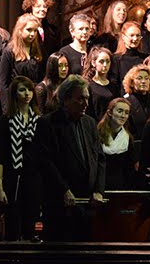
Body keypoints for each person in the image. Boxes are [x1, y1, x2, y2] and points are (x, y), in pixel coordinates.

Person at [33, 75, 106, 241]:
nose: (86, 104)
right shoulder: (47, 123)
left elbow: (100, 159)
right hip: (60, 204)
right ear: (66, 99)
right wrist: (63, 189)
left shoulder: (90, 123)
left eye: (87, 98)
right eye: (80, 99)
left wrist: (98, 190)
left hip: (87, 203)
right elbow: (45, 161)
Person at [0, 75, 40, 240]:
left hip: (33, 177)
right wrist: (0, 188)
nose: (27, 93)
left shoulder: (39, 121)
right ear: (14, 94)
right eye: (22, 90)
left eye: (29, 90)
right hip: (13, 177)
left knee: (31, 226)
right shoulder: (4, 121)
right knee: (13, 227)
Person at [0, 13, 45, 112]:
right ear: (20, 30)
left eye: (35, 30)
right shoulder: (9, 51)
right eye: (29, 30)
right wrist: (6, 109)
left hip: (34, 102)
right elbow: (4, 83)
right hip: (16, 101)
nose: (32, 34)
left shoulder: (39, 49)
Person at [98, 97, 137, 191]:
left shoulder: (128, 139)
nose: (123, 116)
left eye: (126, 112)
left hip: (120, 186)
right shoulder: (97, 134)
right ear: (110, 113)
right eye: (120, 111)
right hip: (100, 185)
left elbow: (129, 168)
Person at [84, 46, 120, 119]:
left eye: (107, 61)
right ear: (93, 63)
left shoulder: (113, 86)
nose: (105, 65)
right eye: (101, 61)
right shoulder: (88, 85)